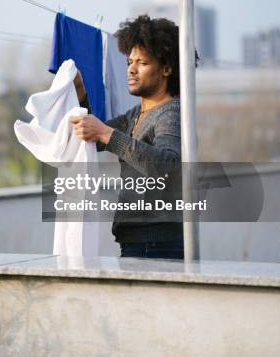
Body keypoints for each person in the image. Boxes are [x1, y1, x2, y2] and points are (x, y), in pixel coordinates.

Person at [71, 15, 198, 259]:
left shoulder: (171, 111)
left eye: (142, 62)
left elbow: (168, 167)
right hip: (138, 241)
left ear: (167, 68)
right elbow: (93, 139)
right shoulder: (135, 114)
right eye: (130, 61)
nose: (131, 68)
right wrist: (81, 96)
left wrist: (108, 134)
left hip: (157, 243)